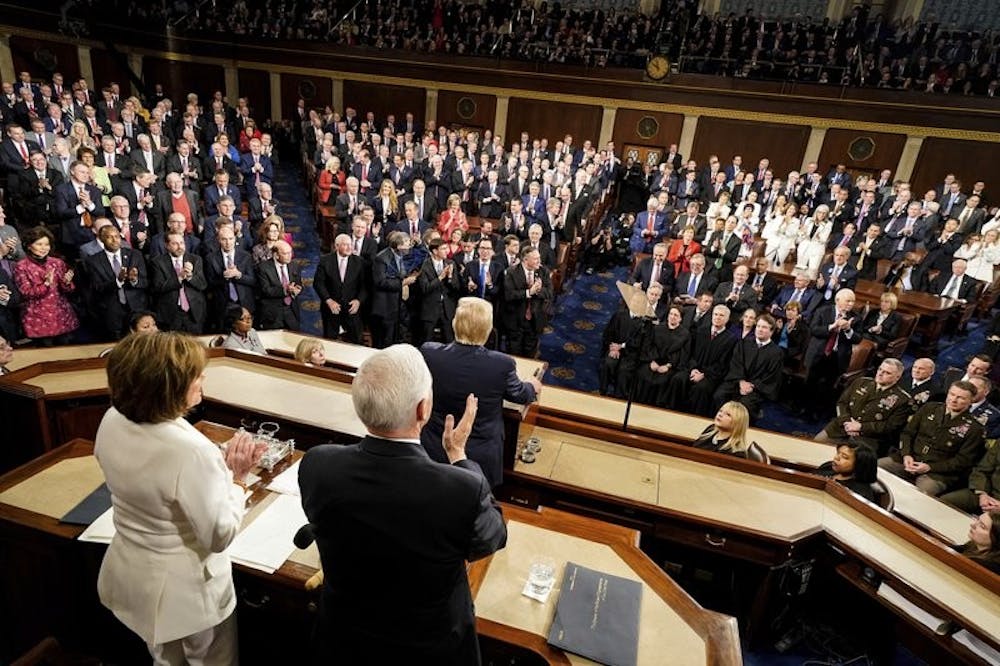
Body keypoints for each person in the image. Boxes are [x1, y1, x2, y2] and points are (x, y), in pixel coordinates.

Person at [298, 344, 507, 664]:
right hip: (429, 652)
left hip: (343, 642)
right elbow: (493, 536)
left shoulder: (317, 466)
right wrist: (459, 457)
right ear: (423, 409)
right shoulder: (461, 489)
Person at [95, 332, 265, 664]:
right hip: (187, 593)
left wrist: (214, 467)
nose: (202, 379)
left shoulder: (112, 419)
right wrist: (238, 479)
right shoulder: (191, 452)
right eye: (195, 375)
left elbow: (153, 475)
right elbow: (219, 535)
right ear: (168, 387)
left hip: (134, 573)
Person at [420, 297, 541, 487]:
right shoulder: (501, 364)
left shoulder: (430, 353)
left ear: (455, 324)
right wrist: (533, 386)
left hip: (434, 449)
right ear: (487, 330)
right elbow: (520, 394)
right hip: (479, 458)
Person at [878, 381, 986, 496]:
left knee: (923, 493)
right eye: (952, 394)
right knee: (878, 466)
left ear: (971, 400)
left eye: (961, 398)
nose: (953, 400)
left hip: (938, 473)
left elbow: (962, 461)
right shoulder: (929, 408)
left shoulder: (975, 429)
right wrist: (906, 455)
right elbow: (907, 434)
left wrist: (929, 467)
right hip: (908, 459)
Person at [816, 359, 911, 455]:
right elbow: (842, 403)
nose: (880, 374)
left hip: (867, 437)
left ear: (897, 377)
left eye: (887, 373)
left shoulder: (902, 399)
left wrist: (861, 427)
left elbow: (889, 426)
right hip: (841, 427)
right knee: (816, 443)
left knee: (849, 460)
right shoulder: (861, 382)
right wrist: (847, 422)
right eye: (880, 369)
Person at [13, 226, 79, 345]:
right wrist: (46, 283)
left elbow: (68, 290)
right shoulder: (21, 266)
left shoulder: (57, 262)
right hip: (38, 320)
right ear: (29, 245)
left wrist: (67, 282)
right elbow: (26, 292)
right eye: (39, 244)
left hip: (61, 317)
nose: (44, 248)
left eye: (46, 244)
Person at [313, 233, 367, 342]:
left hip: (352, 309)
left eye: (350, 244)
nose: (349, 247)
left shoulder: (359, 262)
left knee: (356, 340)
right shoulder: (325, 261)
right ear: (337, 246)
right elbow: (318, 283)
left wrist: (358, 301)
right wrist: (328, 300)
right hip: (331, 308)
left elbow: (365, 286)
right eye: (345, 245)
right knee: (330, 340)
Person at [691, 402, 767, 462]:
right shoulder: (710, 429)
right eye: (721, 411)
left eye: (728, 414)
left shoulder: (736, 454)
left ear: (738, 423)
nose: (720, 414)